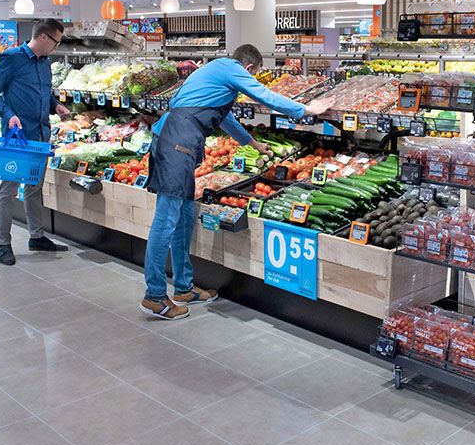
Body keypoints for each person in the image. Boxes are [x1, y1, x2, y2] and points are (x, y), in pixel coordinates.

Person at [141, 44, 334, 320]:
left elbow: (226, 119)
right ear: (249, 69)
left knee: (183, 216)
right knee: (165, 220)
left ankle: (183, 287)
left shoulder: (217, 74)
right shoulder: (230, 68)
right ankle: (155, 296)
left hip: (176, 140)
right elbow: (264, 95)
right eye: (254, 75)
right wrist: (305, 109)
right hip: (177, 143)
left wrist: (253, 143)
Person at [0, 19, 73, 265]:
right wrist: (8, 114)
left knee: (34, 188)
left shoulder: (45, 64)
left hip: (41, 136)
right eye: (56, 42)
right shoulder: (11, 58)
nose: (56, 47)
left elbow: (45, 92)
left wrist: (56, 105)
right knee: (9, 190)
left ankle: (37, 236)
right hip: (17, 137)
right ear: (43, 37)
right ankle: (4, 244)